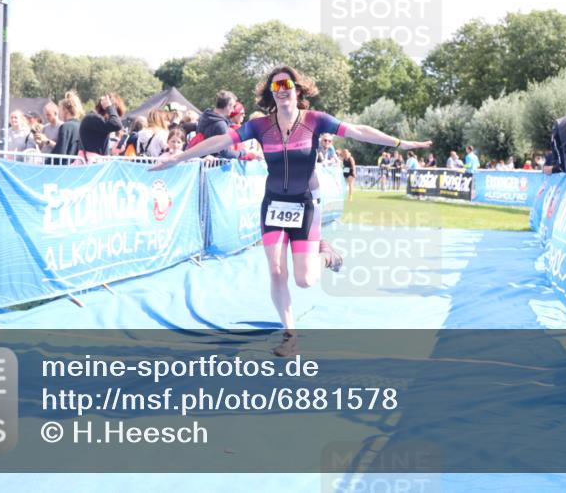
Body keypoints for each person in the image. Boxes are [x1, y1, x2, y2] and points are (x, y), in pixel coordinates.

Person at [152, 65, 430, 356]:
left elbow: (358, 131)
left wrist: (401, 143)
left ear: (297, 90)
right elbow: (221, 141)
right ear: (271, 93)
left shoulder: (315, 120)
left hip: (306, 204)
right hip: (273, 204)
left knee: (305, 280)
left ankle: (327, 255)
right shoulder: (260, 126)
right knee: (276, 271)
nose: (282, 89)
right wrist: (179, 157)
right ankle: (289, 335)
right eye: (276, 86)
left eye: (286, 84)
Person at [78, 93, 124, 163]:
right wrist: (109, 106)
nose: (113, 116)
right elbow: (117, 124)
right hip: (90, 164)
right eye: (113, 114)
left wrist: (114, 151)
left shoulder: (95, 120)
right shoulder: (93, 118)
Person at [195, 90, 241, 159]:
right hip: (213, 163)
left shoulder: (204, 117)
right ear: (228, 106)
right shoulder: (221, 125)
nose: (233, 110)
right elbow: (225, 153)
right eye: (233, 106)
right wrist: (242, 152)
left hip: (201, 160)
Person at [50, 92, 83, 165]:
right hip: (77, 167)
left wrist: (47, 162)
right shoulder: (81, 126)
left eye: (60, 110)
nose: (59, 113)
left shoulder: (65, 127)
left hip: (65, 167)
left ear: (65, 110)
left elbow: (60, 151)